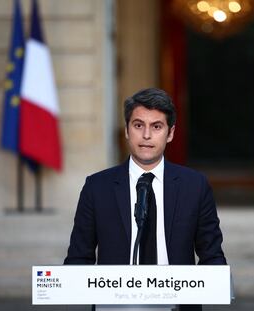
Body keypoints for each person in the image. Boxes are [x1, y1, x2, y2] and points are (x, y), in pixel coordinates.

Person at [64, 88, 227, 310]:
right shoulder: (97, 187)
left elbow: (212, 256)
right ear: (127, 131)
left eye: (156, 126)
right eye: (138, 125)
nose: (146, 135)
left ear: (170, 133)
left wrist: (217, 284)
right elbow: (78, 258)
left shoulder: (195, 186)